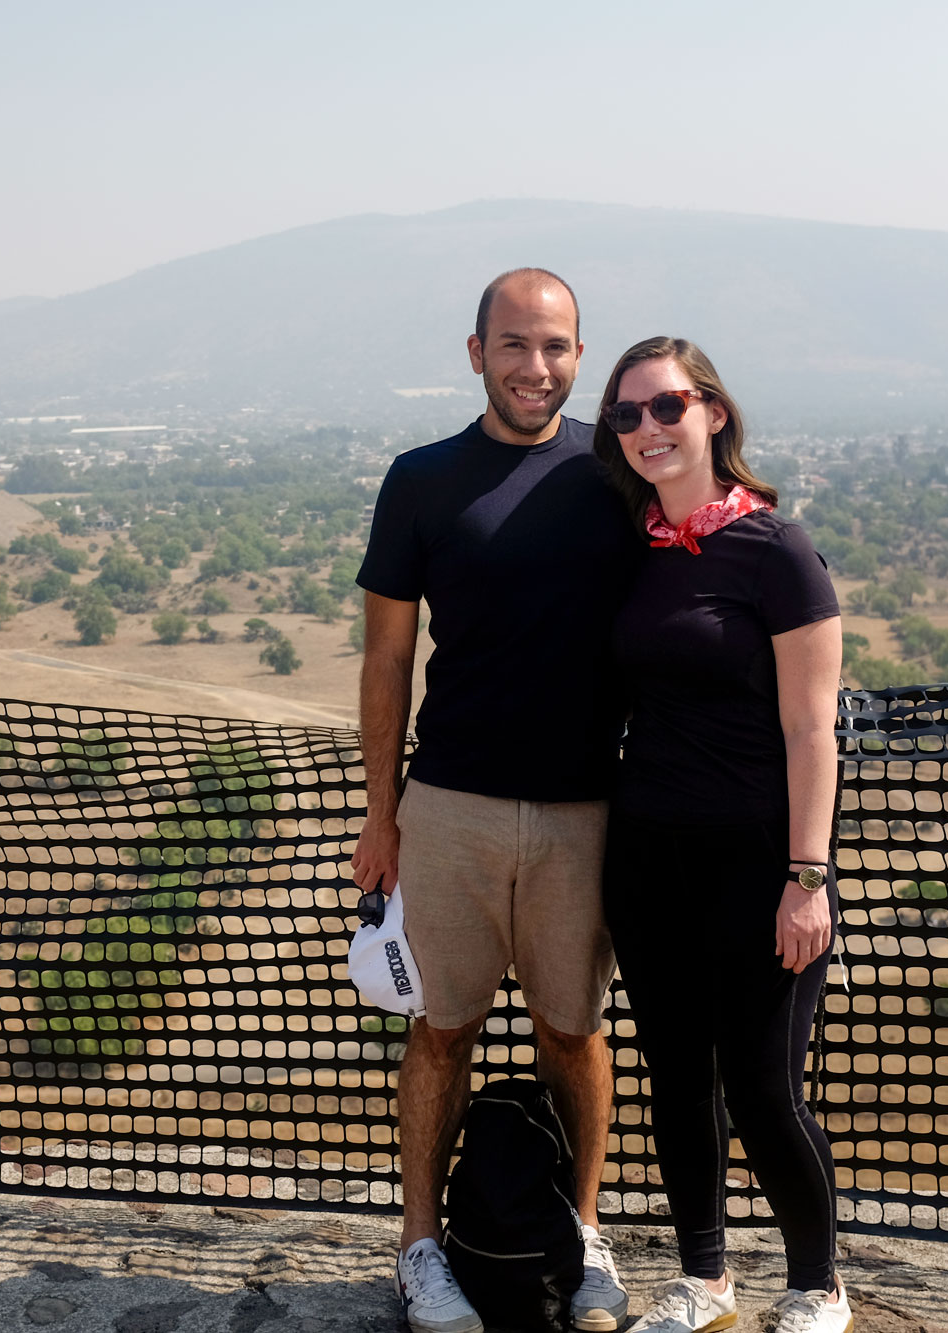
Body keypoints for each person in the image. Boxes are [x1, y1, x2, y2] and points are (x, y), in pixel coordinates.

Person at [353, 268, 642, 1333]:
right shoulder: (420, 479)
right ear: (473, 353)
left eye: (556, 346)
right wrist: (379, 813)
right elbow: (386, 662)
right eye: (513, 345)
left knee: (573, 1033)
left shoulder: (619, 476)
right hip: (449, 809)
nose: (536, 366)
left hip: (583, 812)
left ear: (580, 356)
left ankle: (581, 1235)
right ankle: (419, 1248)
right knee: (439, 1031)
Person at [590, 337, 850, 1333]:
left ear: (711, 412)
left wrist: (806, 876)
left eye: (664, 407)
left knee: (761, 1087)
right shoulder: (632, 549)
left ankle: (816, 1284)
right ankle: (703, 1279)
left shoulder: (773, 549)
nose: (647, 429)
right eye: (625, 415)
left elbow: (808, 726)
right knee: (672, 1074)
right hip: (647, 854)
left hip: (757, 860)